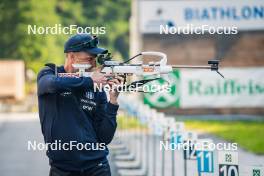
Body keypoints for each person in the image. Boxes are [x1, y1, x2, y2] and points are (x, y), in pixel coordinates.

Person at [37, 34, 122, 176]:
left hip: (97, 167)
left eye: (95, 60)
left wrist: (113, 102)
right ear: (71, 56)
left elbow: (104, 138)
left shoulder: (96, 88)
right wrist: (89, 82)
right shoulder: (50, 73)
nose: (94, 65)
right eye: (89, 59)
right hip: (61, 169)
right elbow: (50, 84)